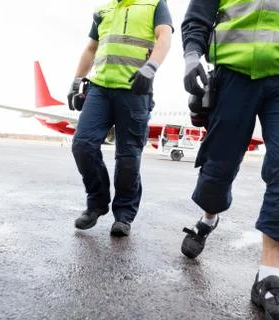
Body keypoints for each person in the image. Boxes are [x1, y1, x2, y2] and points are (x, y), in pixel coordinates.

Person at [180, 1, 279, 319]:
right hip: (232, 75)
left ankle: (268, 277)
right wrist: (190, 56)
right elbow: (197, 19)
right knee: (218, 168)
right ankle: (208, 219)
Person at [68, 0, 173, 237]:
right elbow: (91, 49)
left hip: (135, 89)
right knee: (83, 145)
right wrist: (76, 82)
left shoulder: (154, 3)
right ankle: (96, 203)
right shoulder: (103, 9)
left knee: (128, 156)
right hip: (100, 89)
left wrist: (151, 67)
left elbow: (164, 36)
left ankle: (124, 215)